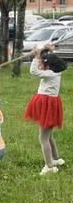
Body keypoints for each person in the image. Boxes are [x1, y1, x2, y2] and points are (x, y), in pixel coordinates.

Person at [24, 45, 67, 175]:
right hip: (49, 105)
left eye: (44, 62)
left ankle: (49, 167)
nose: (41, 63)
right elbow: (51, 60)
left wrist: (36, 56)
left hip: (47, 107)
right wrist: (49, 50)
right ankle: (56, 159)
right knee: (49, 136)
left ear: (48, 65)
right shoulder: (55, 71)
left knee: (43, 138)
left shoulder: (49, 74)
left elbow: (34, 71)